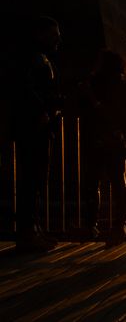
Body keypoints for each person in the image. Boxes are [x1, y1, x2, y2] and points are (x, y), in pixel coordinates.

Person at [9, 16, 62, 252]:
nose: (57, 39)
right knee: (32, 179)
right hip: (34, 125)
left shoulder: (39, 58)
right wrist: (42, 110)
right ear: (40, 34)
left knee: (37, 179)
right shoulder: (32, 58)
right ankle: (28, 231)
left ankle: (34, 229)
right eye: (53, 35)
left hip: (39, 124)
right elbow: (25, 88)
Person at [77, 50, 126, 245]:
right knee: (118, 184)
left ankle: (90, 224)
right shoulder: (122, 84)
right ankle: (119, 225)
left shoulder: (92, 84)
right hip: (115, 140)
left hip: (94, 139)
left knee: (92, 184)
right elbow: (124, 116)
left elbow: (86, 110)